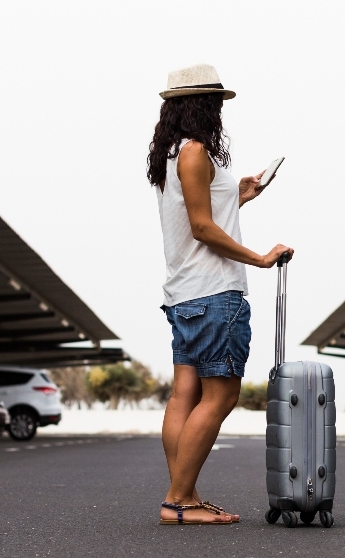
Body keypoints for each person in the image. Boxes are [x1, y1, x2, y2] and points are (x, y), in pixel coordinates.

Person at [147, 64, 292, 525]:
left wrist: (241, 195)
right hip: (214, 294)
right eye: (215, 104)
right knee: (221, 396)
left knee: (184, 397)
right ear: (202, 106)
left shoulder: (172, 155)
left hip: (186, 294)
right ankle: (179, 500)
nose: (219, 113)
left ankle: (183, 496)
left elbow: (202, 214)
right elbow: (203, 228)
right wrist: (260, 258)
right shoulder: (195, 153)